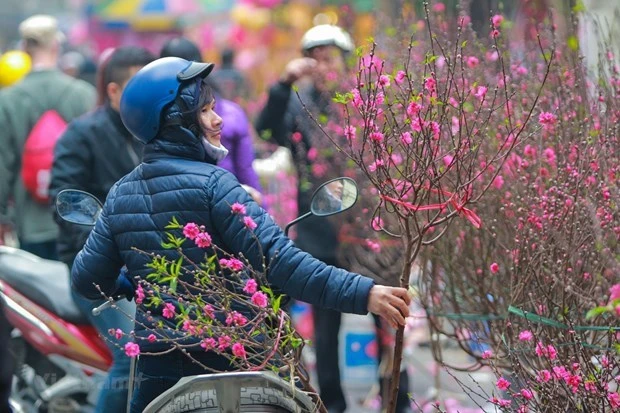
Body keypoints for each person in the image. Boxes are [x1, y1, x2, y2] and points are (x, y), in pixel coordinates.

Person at [69, 57, 411, 412]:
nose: (218, 120)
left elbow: (87, 278)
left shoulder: (121, 194)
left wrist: (134, 285)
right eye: (205, 111)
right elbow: (280, 262)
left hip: (159, 365)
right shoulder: (216, 186)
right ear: (176, 121)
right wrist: (364, 293)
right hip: (232, 357)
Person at [255, 24, 412, 413]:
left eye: (331, 55)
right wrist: (283, 83)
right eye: (316, 56)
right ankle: (333, 404)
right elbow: (267, 130)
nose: (324, 64)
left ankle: (398, 400)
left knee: (390, 320)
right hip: (318, 230)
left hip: (371, 232)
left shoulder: (368, 104)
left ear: (346, 60)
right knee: (326, 329)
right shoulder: (298, 103)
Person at [49, 46, 155, 413]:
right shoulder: (82, 135)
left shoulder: (154, 132)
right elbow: (64, 202)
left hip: (151, 268)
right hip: (97, 272)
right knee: (134, 354)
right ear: (112, 91)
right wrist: (106, 251)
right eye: (136, 87)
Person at [0, 15, 96, 259]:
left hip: (30, 222)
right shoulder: (83, 94)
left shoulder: (7, 100)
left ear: (24, 48)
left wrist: (2, 217)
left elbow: (2, 165)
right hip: (80, 221)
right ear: (56, 46)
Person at [160, 37, 263, 202]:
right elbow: (245, 168)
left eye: (210, 109)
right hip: (229, 201)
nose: (216, 120)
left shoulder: (156, 116)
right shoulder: (231, 112)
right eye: (204, 110)